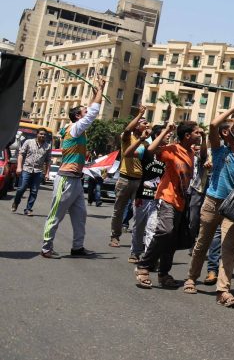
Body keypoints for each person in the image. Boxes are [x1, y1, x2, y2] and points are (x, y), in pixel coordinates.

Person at [183, 105, 234, 307]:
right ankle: (191, 278)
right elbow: (213, 124)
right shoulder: (218, 150)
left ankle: (223, 290)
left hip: (231, 207)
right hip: (212, 202)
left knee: (228, 248)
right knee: (202, 243)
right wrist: (232, 110)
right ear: (225, 133)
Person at [41, 77, 105, 258]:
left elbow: (89, 111)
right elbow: (92, 113)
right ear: (78, 117)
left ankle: (77, 247)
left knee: (80, 216)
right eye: (83, 111)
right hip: (66, 179)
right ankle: (46, 248)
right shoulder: (74, 129)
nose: (87, 112)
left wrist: (95, 94)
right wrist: (101, 89)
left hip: (76, 180)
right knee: (56, 214)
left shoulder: (76, 127)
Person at [134, 120, 200, 288]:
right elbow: (150, 150)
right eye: (197, 132)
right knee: (165, 231)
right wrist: (166, 131)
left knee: (171, 239)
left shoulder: (191, 152)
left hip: (181, 201)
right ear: (187, 135)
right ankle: (143, 265)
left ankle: (164, 274)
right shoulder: (172, 149)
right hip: (166, 197)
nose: (199, 134)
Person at [110, 106, 149, 247]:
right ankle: (115, 236)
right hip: (125, 179)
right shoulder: (127, 137)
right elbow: (127, 129)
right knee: (118, 210)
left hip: (139, 181)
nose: (147, 125)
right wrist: (139, 114)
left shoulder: (146, 143)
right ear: (137, 125)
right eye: (144, 123)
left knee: (139, 211)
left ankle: (137, 241)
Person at [128, 124, 167, 263]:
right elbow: (127, 154)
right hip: (142, 197)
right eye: (165, 134)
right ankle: (135, 252)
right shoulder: (145, 150)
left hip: (158, 198)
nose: (168, 136)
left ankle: (149, 258)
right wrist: (141, 140)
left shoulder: (168, 154)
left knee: (152, 227)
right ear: (157, 136)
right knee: (138, 226)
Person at [12, 128, 51, 215]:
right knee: (22, 188)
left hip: (38, 171)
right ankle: (16, 202)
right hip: (26, 169)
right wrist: (19, 167)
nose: (43, 136)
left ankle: (28, 209)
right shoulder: (28, 142)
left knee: (34, 191)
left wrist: (47, 173)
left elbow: (48, 161)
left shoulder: (47, 146)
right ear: (37, 134)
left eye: (44, 134)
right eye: (41, 134)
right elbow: (21, 154)